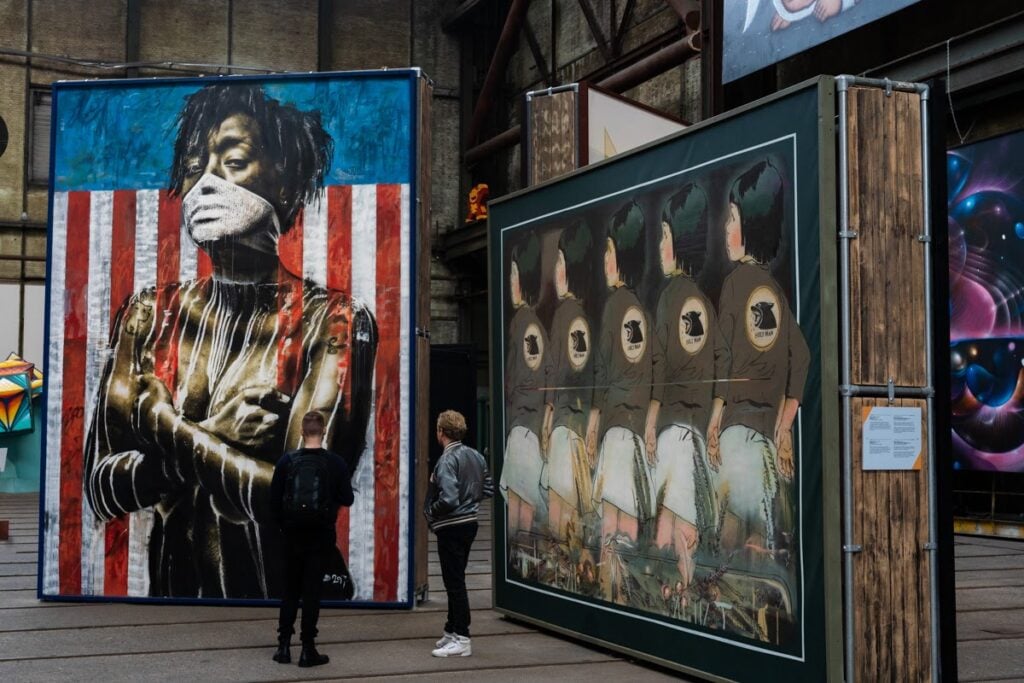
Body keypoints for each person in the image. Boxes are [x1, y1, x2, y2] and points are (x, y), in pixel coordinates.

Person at [83, 83, 377, 599]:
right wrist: (214, 433)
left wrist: (164, 425)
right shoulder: (148, 315)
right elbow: (101, 485)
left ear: (284, 184)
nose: (206, 183)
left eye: (234, 160)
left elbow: (297, 497)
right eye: (196, 166)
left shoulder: (333, 322)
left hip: (284, 588)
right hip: (169, 602)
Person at [708, 159, 809, 562]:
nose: (725, 228)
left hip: (735, 439)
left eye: (732, 218)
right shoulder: (774, 291)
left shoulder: (734, 286)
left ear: (752, 223)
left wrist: (714, 425)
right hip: (766, 444)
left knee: (730, 548)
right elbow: (801, 357)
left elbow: (723, 364)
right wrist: (783, 429)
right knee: (761, 546)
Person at [644, 183, 726, 603]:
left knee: (674, 515)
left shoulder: (669, 297)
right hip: (696, 435)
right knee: (684, 515)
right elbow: (721, 370)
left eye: (664, 235)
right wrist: (713, 425)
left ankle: (683, 585)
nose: (660, 245)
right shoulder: (703, 303)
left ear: (680, 240)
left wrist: (652, 424)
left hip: (675, 430)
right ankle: (687, 583)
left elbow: (658, 369)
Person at [587, 201, 654, 604]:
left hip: (618, 429)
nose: (605, 260)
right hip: (630, 428)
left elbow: (604, 371)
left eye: (610, 251)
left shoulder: (617, 306)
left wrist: (595, 424)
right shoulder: (637, 308)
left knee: (613, 520)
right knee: (622, 517)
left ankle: (615, 598)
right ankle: (621, 597)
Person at [269, 410, 354, 667]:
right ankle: (308, 649)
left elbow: (273, 502)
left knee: (290, 590)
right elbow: (348, 498)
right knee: (312, 591)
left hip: (293, 535)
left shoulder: (287, 462)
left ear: (302, 432)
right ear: (324, 431)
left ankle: (283, 648)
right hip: (321, 536)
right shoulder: (335, 463)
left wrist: (287, 525)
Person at [540, 220, 596, 585]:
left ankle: (573, 569)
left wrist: (556, 423)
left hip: (568, 428)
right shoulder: (570, 315)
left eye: (561, 263)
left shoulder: (571, 315)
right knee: (562, 506)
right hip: (564, 424)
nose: (556, 273)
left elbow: (575, 376)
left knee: (563, 507)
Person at [425, 410, 494, 658]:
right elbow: (488, 488)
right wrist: (470, 500)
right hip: (470, 523)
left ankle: (462, 637)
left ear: (441, 432)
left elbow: (449, 498)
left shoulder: (445, 461)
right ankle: (451, 630)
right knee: (457, 578)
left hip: (451, 526)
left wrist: (432, 511)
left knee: (454, 583)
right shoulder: (475, 456)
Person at [500, 233, 551, 552]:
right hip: (521, 426)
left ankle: (521, 555)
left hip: (525, 428)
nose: (511, 282)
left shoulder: (528, 326)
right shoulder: (521, 323)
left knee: (522, 501)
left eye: (515, 275)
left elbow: (532, 383)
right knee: (518, 499)